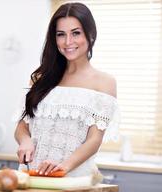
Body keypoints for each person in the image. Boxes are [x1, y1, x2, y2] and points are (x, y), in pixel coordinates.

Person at [14, 2, 119, 177]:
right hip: (31, 176)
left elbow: (94, 139)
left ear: (90, 34)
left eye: (76, 33)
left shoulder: (104, 82)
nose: (68, 42)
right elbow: (22, 126)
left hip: (72, 178)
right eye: (61, 35)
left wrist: (63, 167)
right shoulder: (40, 79)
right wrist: (25, 141)